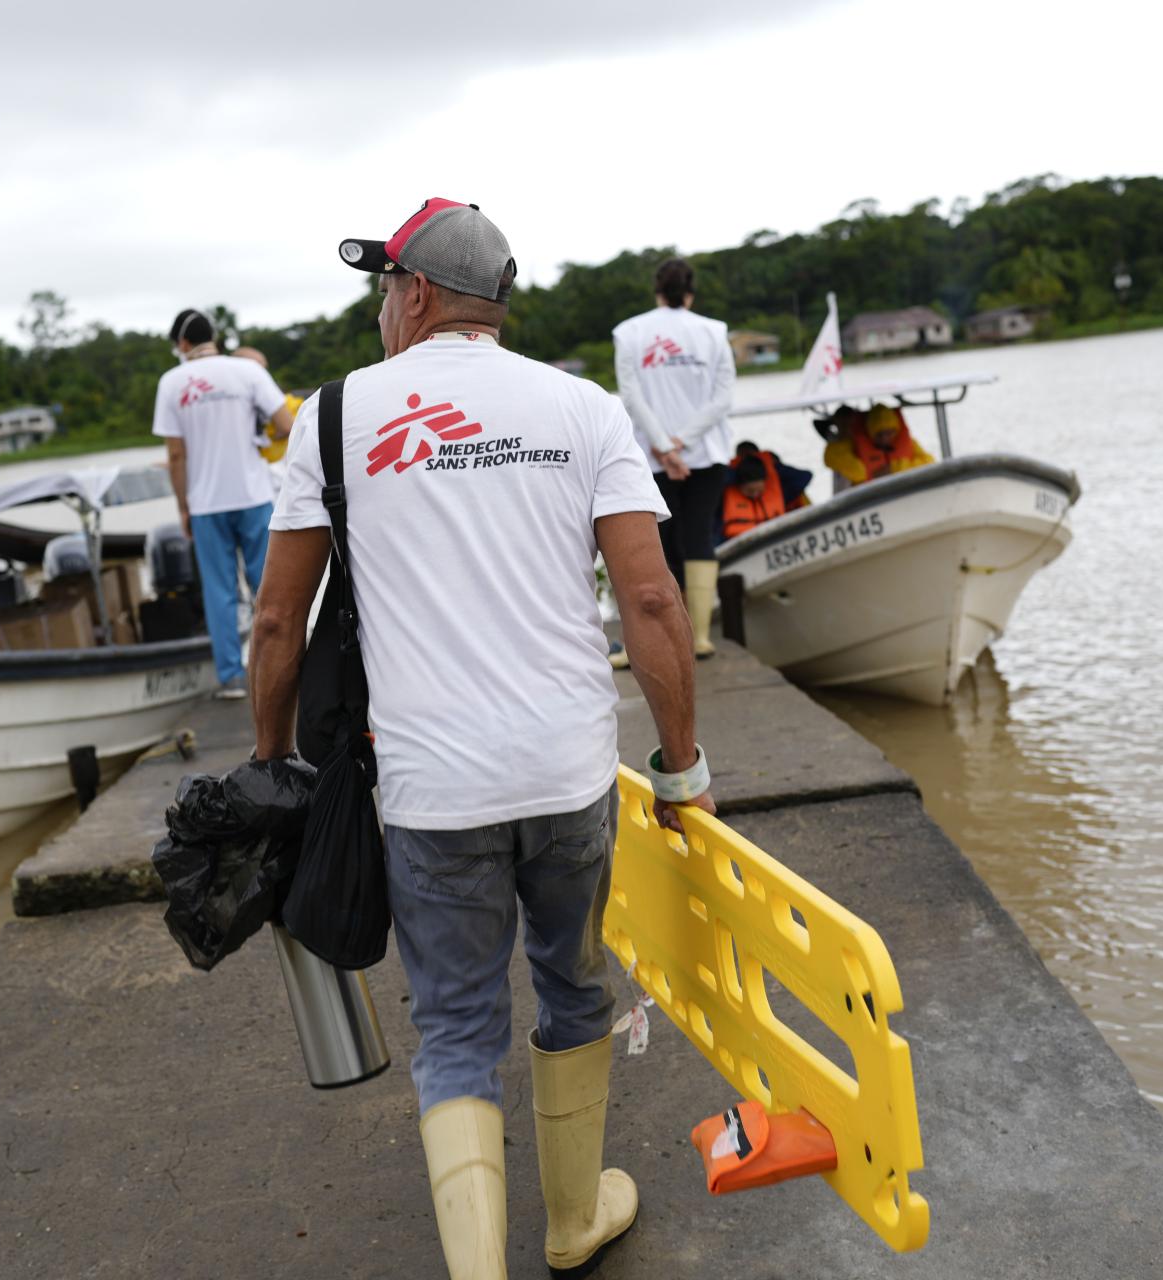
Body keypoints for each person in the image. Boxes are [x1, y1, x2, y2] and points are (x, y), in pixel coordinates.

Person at [249, 197, 716, 1280]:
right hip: (565, 771)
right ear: (493, 304)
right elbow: (651, 602)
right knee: (571, 982)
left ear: (411, 293)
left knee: (457, 1026)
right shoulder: (582, 407)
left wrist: (273, 766)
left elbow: (278, 619)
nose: (380, 310)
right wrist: (681, 764)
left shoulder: (331, 418)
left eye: (383, 290)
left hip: (430, 787)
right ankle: (569, 1222)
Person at [154, 310, 297, 698]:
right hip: (253, 496)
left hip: (204, 505)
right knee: (268, 589)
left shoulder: (171, 382)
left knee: (220, 593)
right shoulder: (247, 372)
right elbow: (286, 424)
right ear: (212, 337)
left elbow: (176, 455)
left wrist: (182, 508)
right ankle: (283, 673)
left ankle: (232, 677)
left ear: (183, 344)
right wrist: (258, 439)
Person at [611, 257, 735, 661]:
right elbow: (722, 399)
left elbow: (631, 397)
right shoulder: (715, 332)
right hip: (706, 454)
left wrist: (664, 447)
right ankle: (699, 637)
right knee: (698, 536)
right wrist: (683, 443)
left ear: (657, 291)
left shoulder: (628, 332)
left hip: (650, 458)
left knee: (659, 547)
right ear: (690, 292)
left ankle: (660, 641)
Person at [718, 441, 813, 542]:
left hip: (776, 540)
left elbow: (805, 476)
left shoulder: (781, 491)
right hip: (739, 545)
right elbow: (714, 480)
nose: (755, 494)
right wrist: (738, 468)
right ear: (739, 485)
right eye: (750, 491)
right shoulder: (725, 496)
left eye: (759, 491)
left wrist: (769, 465)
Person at [824, 402, 935, 488]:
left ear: (896, 430)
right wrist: (873, 473)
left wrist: (894, 469)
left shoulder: (909, 443)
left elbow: (929, 462)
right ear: (870, 432)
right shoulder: (847, 446)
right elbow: (857, 473)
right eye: (879, 434)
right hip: (868, 499)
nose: (884, 438)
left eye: (889, 432)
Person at [233, 345, 305, 463]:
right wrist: (271, 439)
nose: (263, 375)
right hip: (269, 466)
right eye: (259, 369)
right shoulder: (280, 400)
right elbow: (287, 426)